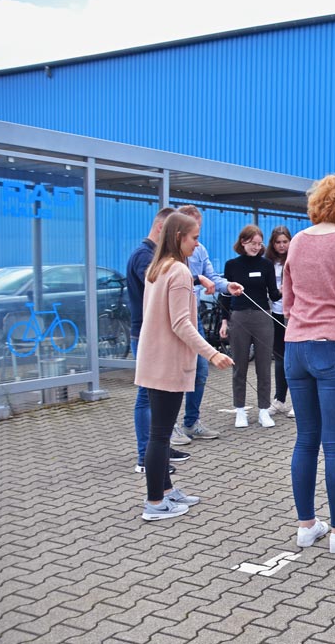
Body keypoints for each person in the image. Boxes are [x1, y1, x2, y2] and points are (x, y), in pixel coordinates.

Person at [285, 174, 335, 553]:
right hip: (333, 348)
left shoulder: (297, 242)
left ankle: (306, 525)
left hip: (295, 346)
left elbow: (287, 300)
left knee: (305, 440)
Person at [134, 212, 234, 520]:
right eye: (194, 237)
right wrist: (211, 353)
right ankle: (154, 503)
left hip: (155, 360)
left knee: (160, 433)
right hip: (166, 363)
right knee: (161, 434)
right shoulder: (176, 270)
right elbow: (182, 324)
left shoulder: (159, 267)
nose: (197, 244)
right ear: (179, 237)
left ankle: (165, 490)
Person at [174, 204, 243, 445]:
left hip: (193, 318)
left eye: (199, 232)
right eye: (194, 234)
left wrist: (227, 286)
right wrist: (195, 278)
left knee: (200, 371)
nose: (197, 241)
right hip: (174, 321)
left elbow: (212, 277)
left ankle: (191, 422)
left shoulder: (200, 250)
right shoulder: (166, 257)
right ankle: (169, 426)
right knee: (174, 374)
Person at [126, 206, 184, 474]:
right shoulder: (144, 256)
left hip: (153, 334)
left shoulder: (153, 256)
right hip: (146, 335)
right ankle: (144, 456)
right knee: (146, 397)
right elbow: (161, 286)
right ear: (162, 229)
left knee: (156, 397)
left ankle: (159, 449)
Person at [221, 225, 281, 428]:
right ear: (243, 242)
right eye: (253, 243)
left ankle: (264, 410)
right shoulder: (232, 265)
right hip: (238, 318)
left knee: (264, 366)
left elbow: (273, 294)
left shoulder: (266, 265)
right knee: (239, 365)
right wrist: (223, 321)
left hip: (263, 317)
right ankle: (240, 410)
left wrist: (288, 288)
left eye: (259, 243)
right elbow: (225, 295)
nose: (256, 247)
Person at [265, 226, 295, 419]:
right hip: (275, 313)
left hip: (293, 314)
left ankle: (298, 402)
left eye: (285, 241)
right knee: (280, 358)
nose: (282, 245)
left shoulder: (295, 259)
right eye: (278, 242)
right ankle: (279, 399)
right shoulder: (267, 262)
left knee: (294, 358)